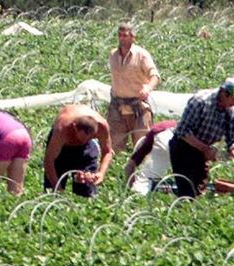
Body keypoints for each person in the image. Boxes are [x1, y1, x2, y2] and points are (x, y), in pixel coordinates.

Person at [170, 75, 234, 198]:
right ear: (224, 93)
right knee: (187, 192)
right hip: (184, 147)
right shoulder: (200, 102)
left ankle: (191, 212)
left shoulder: (232, 110)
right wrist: (205, 149)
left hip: (201, 152)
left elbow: (233, 138)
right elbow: (183, 131)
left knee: (199, 189)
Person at [107, 23, 161, 153]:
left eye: (125, 35)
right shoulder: (113, 55)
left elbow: (155, 75)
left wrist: (148, 88)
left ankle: (141, 172)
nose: (122, 38)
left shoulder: (141, 55)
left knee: (142, 146)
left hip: (138, 106)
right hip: (118, 106)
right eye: (120, 35)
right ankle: (116, 171)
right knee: (114, 146)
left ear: (133, 37)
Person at [42, 104, 114, 197]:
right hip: (63, 149)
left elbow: (107, 152)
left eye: (90, 137)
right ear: (74, 126)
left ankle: (85, 195)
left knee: (86, 186)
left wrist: (101, 173)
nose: (83, 141)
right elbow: (49, 160)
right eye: (80, 138)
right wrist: (57, 187)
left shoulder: (102, 126)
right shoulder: (62, 128)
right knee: (52, 192)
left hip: (87, 149)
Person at [124, 120, 177, 194]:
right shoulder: (156, 131)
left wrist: (130, 186)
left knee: (146, 180)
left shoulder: (148, 140)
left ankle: (138, 194)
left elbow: (129, 166)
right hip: (179, 135)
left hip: (165, 137)